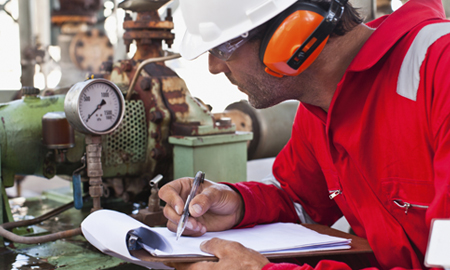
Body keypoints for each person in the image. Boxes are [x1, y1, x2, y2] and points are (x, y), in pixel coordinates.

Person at [159, 0, 450, 269]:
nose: (214, 67)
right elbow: (300, 202)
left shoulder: (439, 69)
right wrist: (239, 204)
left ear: (291, 33)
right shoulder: (319, 111)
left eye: (223, 48)